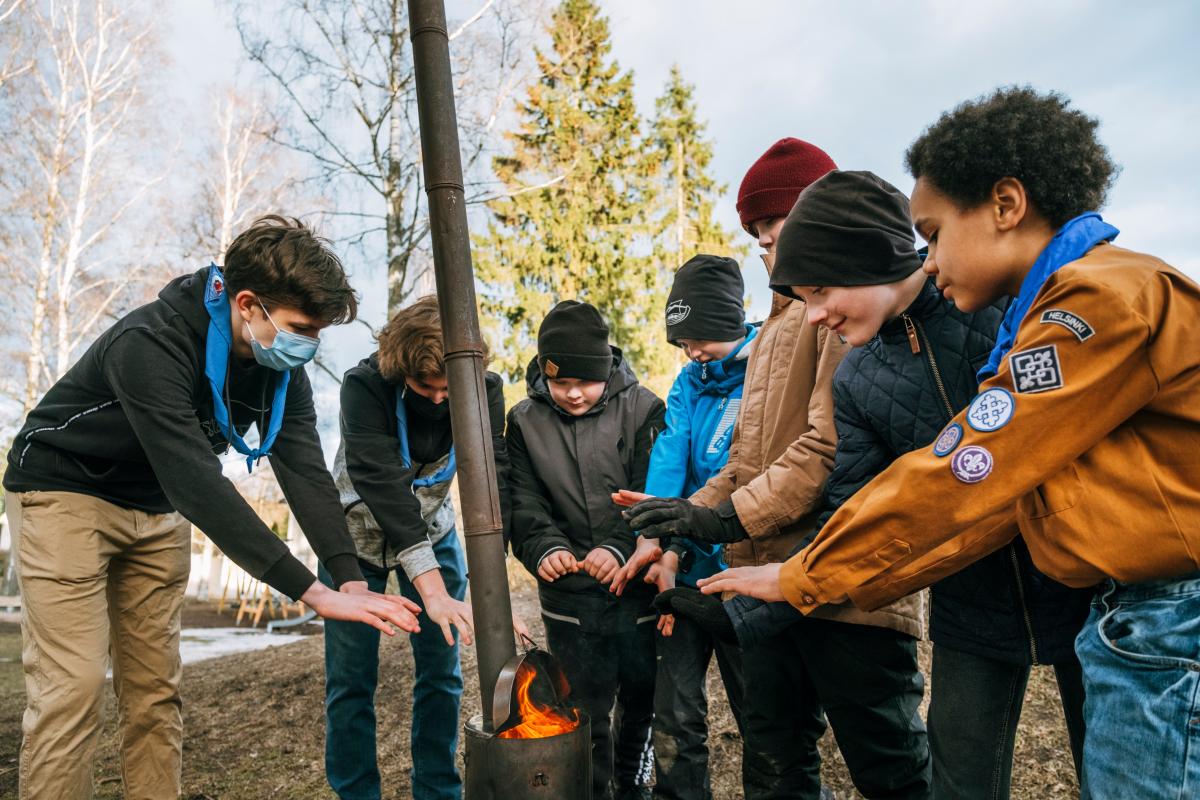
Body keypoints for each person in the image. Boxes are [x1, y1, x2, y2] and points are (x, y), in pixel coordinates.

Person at [704, 86, 1200, 799]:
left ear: (1005, 205)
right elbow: (989, 507)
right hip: (1106, 612)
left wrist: (798, 577)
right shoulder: (1055, 309)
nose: (927, 261)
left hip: (1164, 618)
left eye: (933, 235)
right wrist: (806, 578)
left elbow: (967, 468)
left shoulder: (1094, 304)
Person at [3, 215, 419, 800]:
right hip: (65, 492)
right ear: (248, 304)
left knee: (154, 691)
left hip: (155, 505)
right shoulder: (151, 343)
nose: (310, 345)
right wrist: (309, 590)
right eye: (302, 328)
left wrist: (346, 577)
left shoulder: (281, 375)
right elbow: (197, 482)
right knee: (72, 690)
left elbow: (305, 475)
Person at [717, 168, 1090, 798]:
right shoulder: (856, 377)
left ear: (868, 258)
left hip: (1087, 582)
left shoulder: (1006, 309)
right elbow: (855, 507)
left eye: (820, 290)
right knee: (958, 781)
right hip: (971, 609)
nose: (812, 316)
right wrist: (757, 606)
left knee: (1113, 771)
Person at [627, 140, 930, 800]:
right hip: (763, 591)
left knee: (889, 765)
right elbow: (744, 462)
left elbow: (824, 449)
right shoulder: (769, 336)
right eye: (759, 238)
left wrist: (715, 517)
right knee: (773, 762)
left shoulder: (841, 318)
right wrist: (675, 525)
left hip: (849, 600)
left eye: (777, 231)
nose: (768, 252)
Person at [323, 295, 512, 800]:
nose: (437, 399)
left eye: (448, 389)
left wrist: (495, 592)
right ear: (401, 370)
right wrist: (427, 585)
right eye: (425, 388)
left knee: (442, 672)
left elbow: (492, 480)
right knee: (350, 680)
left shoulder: (483, 389)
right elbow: (380, 481)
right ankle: (356, 793)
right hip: (356, 536)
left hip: (434, 530)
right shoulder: (365, 386)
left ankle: (437, 789)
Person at [609, 254, 758, 800]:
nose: (691, 351)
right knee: (675, 712)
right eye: (681, 342)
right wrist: (656, 543)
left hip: (748, 573)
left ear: (729, 320)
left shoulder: (770, 367)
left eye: (698, 337)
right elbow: (670, 458)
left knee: (761, 711)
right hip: (686, 571)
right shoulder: (689, 383)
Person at [508, 300, 665, 800]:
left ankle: (633, 784)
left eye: (585, 381)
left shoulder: (645, 408)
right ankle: (591, 790)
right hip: (569, 599)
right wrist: (544, 547)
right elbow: (524, 502)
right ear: (543, 374)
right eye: (560, 382)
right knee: (583, 707)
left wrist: (619, 548)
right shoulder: (525, 421)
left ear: (607, 368)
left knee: (641, 701)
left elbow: (654, 491)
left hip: (636, 588)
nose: (573, 393)